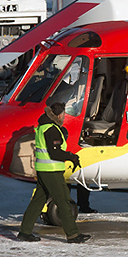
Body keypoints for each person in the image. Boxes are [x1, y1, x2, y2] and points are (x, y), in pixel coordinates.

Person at [18, 102, 91, 243]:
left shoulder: (42, 127)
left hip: (43, 169)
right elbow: (54, 152)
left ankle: (25, 232)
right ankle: (73, 235)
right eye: (64, 114)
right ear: (58, 114)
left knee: (38, 201)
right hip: (52, 171)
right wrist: (71, 156)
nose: (64, 117)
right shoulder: (52, 129)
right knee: (63, 201)